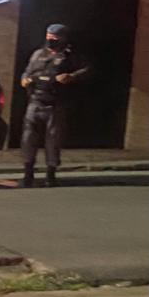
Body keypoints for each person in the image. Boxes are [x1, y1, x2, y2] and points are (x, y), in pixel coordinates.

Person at [20, 23, 89, 188]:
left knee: (53, 140)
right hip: (35, 102)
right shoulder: (38, 54)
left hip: (55, 104)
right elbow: (27, 72)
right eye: (48, 37)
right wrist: (24, 80)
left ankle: (50, 175)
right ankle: (28, 174)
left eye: (54, 38)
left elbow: (87, 69)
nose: (50, 40)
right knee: (28, 139)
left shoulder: (70, 56)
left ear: (63, 39)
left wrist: (71, 76)